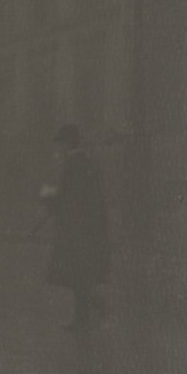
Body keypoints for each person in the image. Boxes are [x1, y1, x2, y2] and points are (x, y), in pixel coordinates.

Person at [41, 123, 110, 330]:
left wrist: (49, 197)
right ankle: (83, 319)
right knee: (80, 273)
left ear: (68, 142)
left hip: (77, 227)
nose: (59, 147)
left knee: (78, 273)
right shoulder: (84, 160)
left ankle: (94, 310)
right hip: (86, 226)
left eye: (60, 143)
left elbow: (70, 196)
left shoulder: (74, 162)